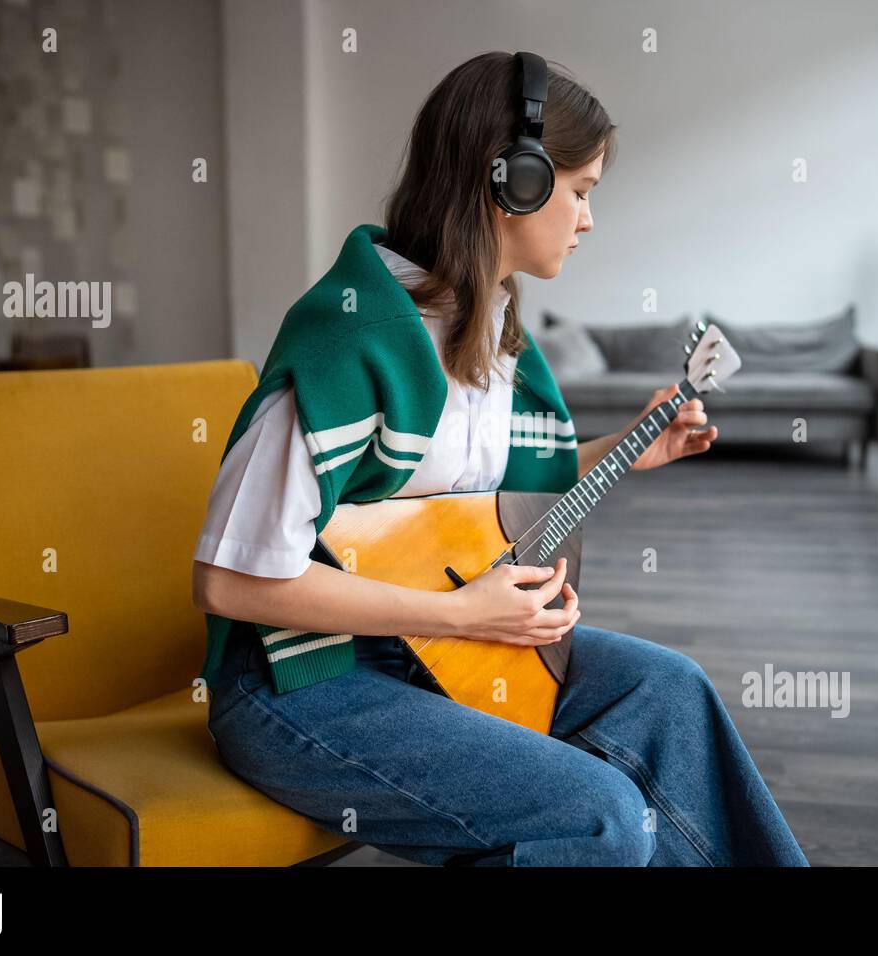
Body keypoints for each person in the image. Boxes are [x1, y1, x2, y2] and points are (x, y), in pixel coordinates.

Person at [191, 50, 809, 867]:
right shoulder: (351, 339)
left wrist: (624, 450)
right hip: (298, 683)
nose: (588, 220)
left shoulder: (490, 330)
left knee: (672, 692)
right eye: (580, 192)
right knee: (599, 817)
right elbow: (230, 580)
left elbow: (474, 509)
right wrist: (459, 616)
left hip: (437, 643)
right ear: (513, 180)